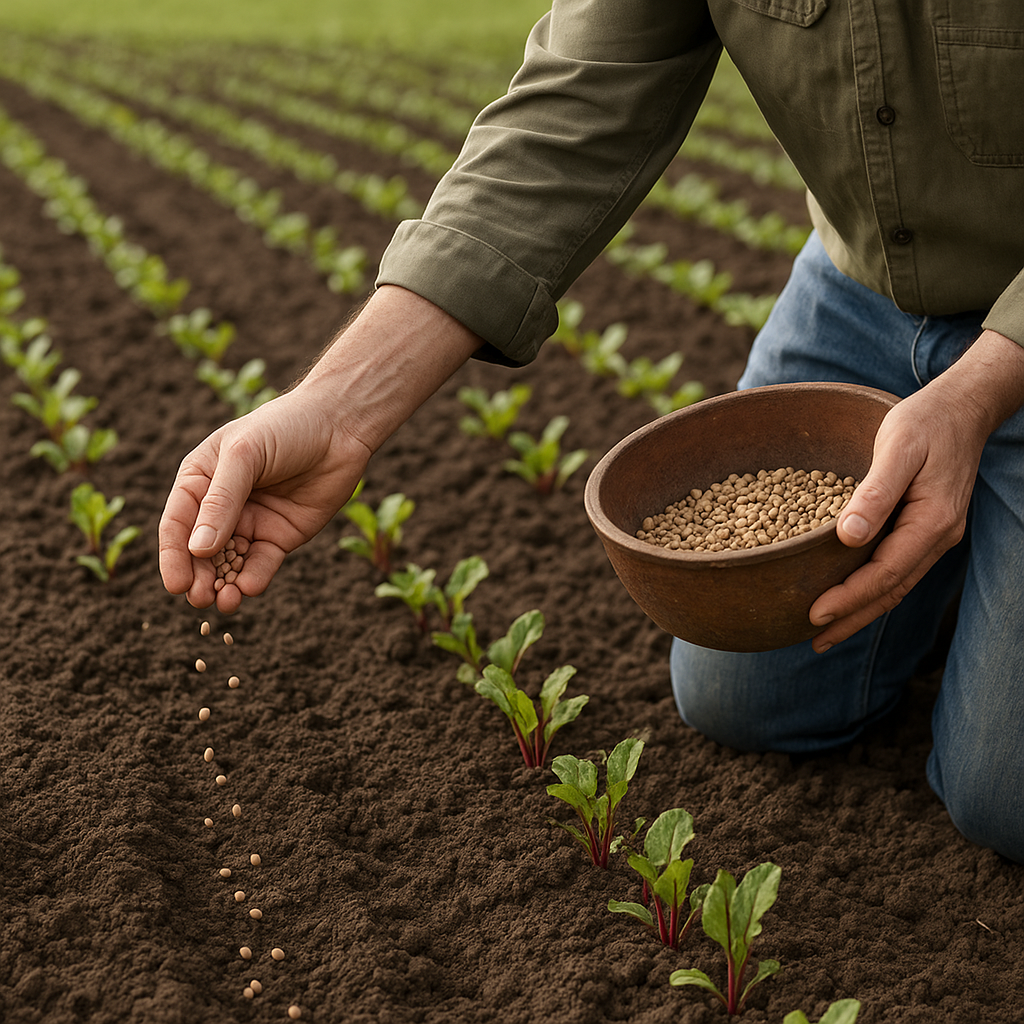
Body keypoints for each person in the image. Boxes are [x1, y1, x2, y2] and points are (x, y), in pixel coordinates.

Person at [159, 1, 1024, 861]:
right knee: (746, 696)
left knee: (1004, 803)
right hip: (867, 286)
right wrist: (338, 408)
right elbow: (579, 97)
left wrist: (978, 394)